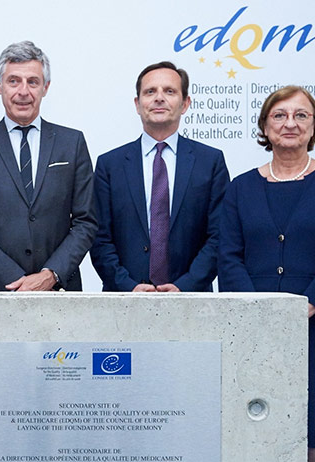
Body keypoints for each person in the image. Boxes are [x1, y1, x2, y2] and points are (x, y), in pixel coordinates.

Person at [218, 86, 315, 462]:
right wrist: (260, 310)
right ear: (265, 125)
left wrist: (302, 310)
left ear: (314, 126)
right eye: (279, 115)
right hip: (248, 328)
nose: (290, 124)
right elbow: (228, 257)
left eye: (301, 115)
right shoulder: (240, 188)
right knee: (248, 427)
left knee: (309, 437)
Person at [0, 41, 97, 291]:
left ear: (46, 87)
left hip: (59, 291)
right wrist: (13, 278)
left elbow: (86, 221)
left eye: (32, 82)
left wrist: (51, 275)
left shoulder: (72, 142)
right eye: (13, 81)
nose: (23, 91)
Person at [91, 61, 229, 292]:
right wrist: (128, 286)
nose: (159, 98)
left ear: (185, 104)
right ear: (137, 104)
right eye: (150, 92)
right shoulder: (110, 165)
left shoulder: (210, 162)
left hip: (191, 302)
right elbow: (99, 238)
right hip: (123, 303)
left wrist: (184, 286)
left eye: (170, 91)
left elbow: (219, 235)